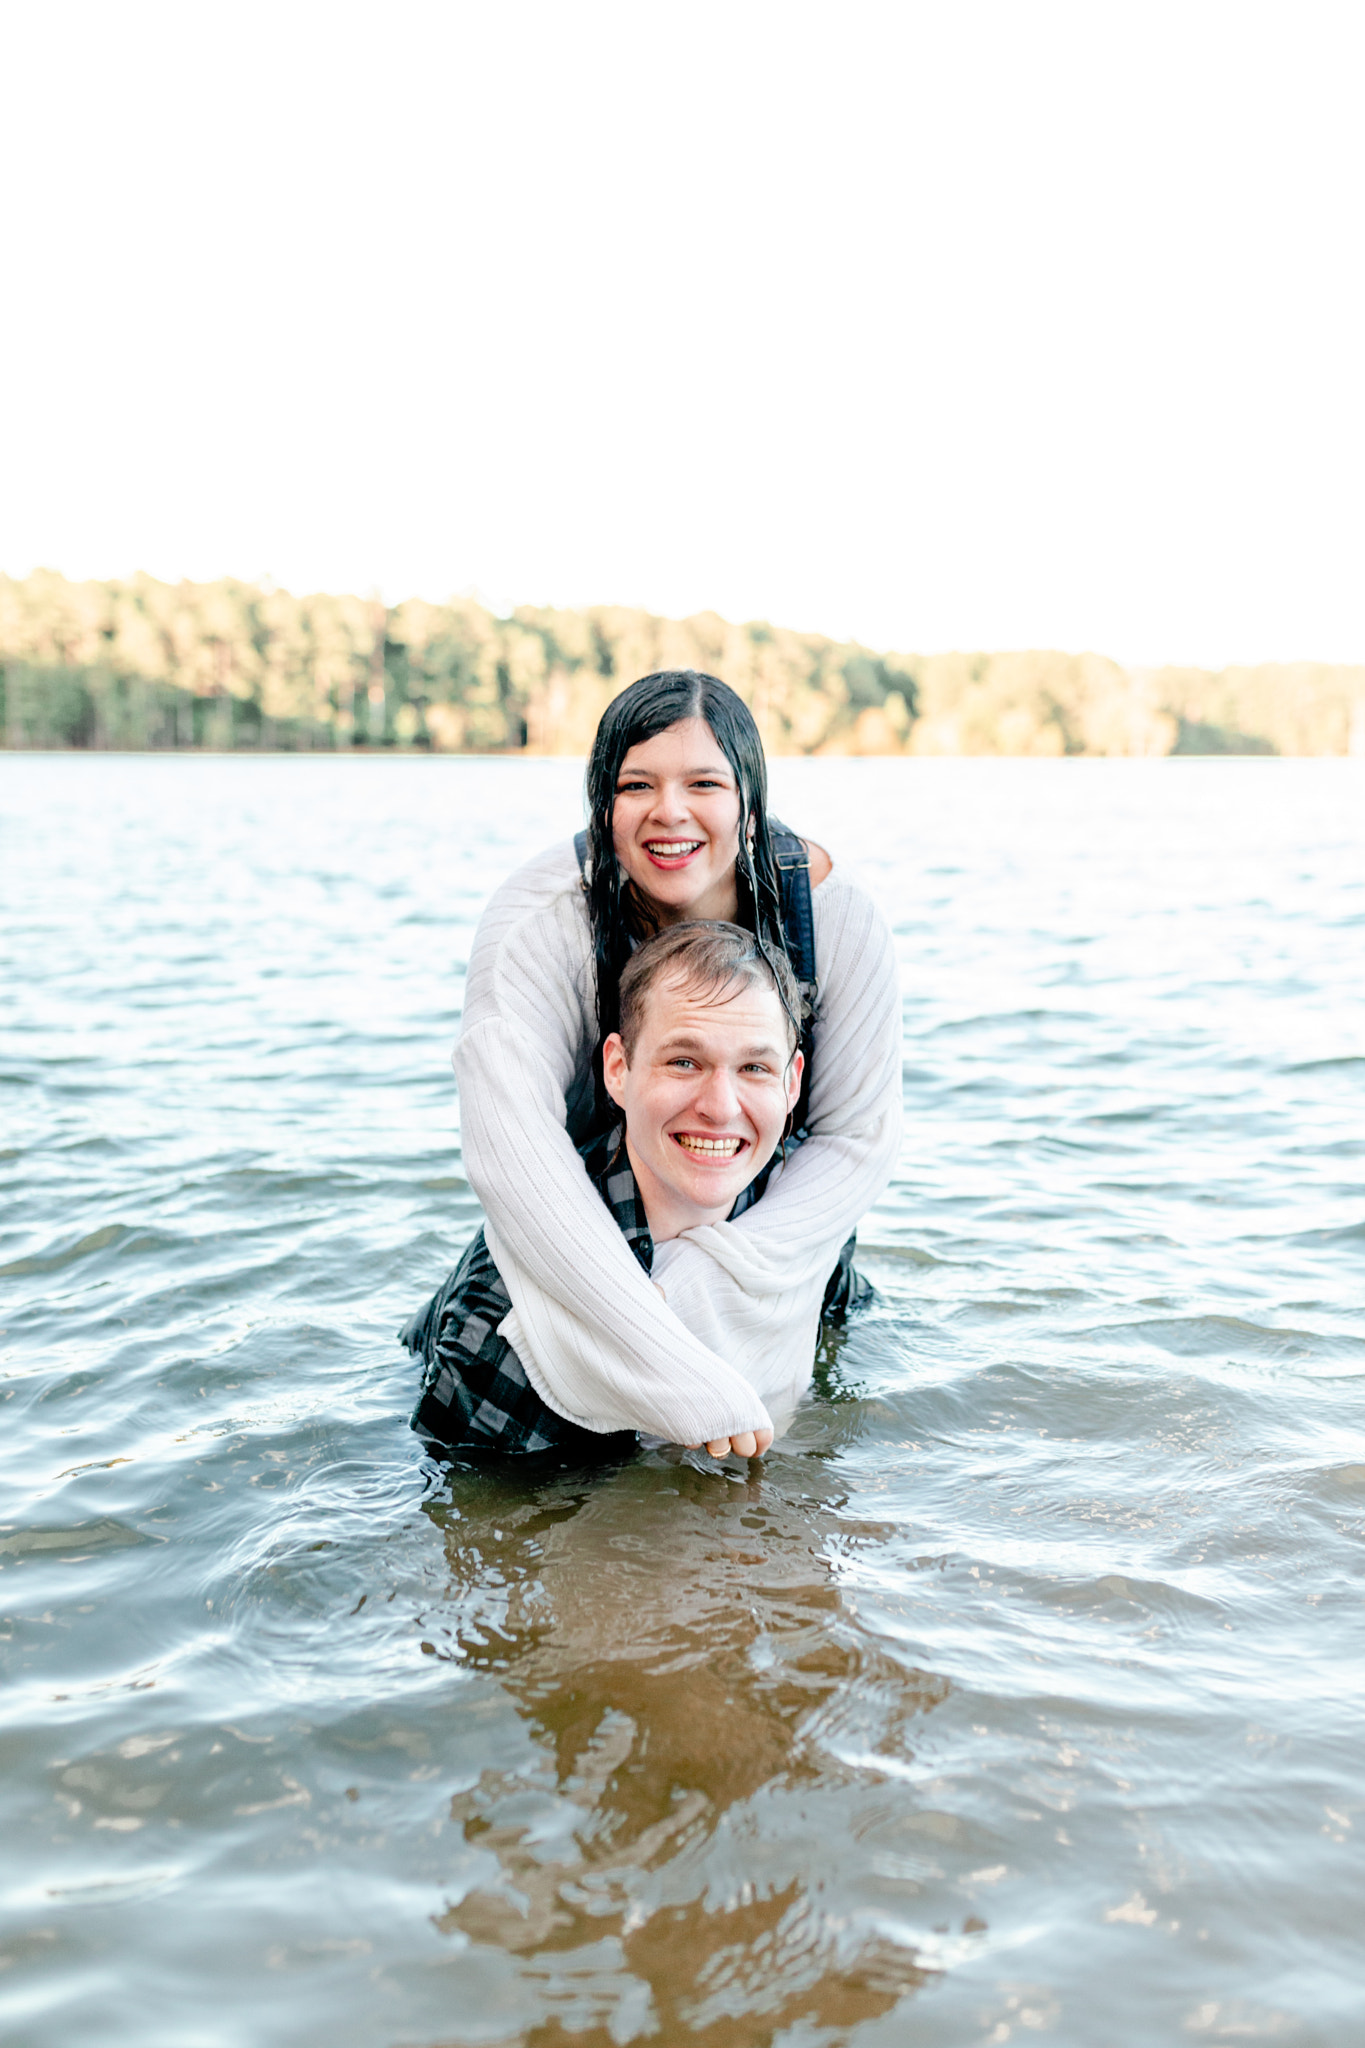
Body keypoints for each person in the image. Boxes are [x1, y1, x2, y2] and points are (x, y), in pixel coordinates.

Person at [420, 668, 902, 1455]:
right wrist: (667, 1359)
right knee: (499, 1482)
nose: (669, 812)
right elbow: (515, 1160)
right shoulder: (539, 926)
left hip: (773, 1227)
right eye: (635, 784)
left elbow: (855, 1139)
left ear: (750, 804)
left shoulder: (834, 916)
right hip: (585, 1226)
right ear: (600, 803)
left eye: (704, 783)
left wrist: (709, 1290)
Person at [404, 920, 807, 1461]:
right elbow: (477, 1515)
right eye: (684, 1062)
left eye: (755, 1067)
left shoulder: (794, 1206)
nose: (721, 1107)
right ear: (618, 1070)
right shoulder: (502, 1322)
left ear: (792, 1082)